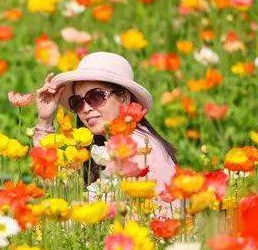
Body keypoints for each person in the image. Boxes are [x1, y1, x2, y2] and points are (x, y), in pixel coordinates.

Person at [29, 51, 177, 198]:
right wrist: (45, 120)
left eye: (96, 96)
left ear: (124, 98)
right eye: (77, 102)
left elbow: (95, 212)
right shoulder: (118, 142)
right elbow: (61, 190)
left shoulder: (135, 147)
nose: (85, 108)